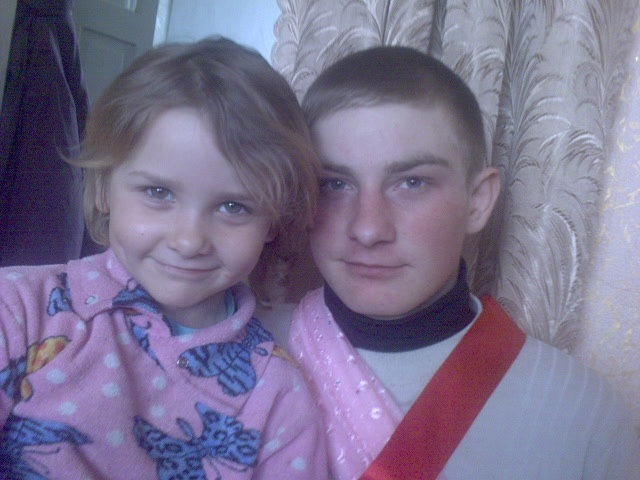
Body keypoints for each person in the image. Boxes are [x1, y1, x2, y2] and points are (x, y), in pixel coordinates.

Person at [286, 46, 640, 479]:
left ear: (478, 201)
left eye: (412, 182)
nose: (368, 229)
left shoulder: (583, 416)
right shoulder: (242, 362)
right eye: (334, 184)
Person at [0, 37, 328, 479]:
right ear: (104, 190)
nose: (190, 240)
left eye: (234, 206)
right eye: (158, 192)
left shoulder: (278, 397)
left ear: (273, 221)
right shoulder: (18, 309)